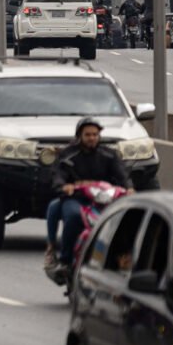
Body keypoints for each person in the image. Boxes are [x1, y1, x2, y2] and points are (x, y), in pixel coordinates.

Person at [44, 116, 134, 273]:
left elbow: (122, 175)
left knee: (124, 218)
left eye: (95, 134)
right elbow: (57, 174)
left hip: (104, 200)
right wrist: (64, 186)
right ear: (80, 136)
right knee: (72, 216)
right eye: (88, 135)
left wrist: (129, 188)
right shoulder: (67, 155)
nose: (92, 138)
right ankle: (65, 260)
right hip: (76, 199)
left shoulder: (109, 155)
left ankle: (122, 257)